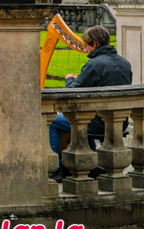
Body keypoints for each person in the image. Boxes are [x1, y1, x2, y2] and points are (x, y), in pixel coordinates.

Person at [48, 25, 132, 181]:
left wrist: (70, 79)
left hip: (97, 122)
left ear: (94, 44)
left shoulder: (94, 65)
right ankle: (89, 160)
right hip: (121, 121)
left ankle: (56, 168)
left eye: (86, 45)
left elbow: (74, 92)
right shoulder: (124, 63)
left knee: (53, 121)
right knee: (85, 117)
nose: (85, 49)